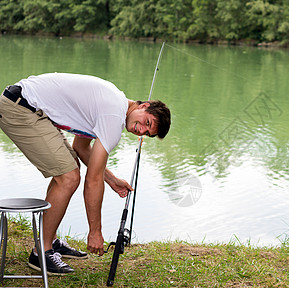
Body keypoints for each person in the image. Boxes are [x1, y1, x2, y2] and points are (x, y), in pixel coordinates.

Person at [0, 72, 171, 275]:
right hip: (19, 107)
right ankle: (41, 253)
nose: (141, 130)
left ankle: (49, 240)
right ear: (144, 106)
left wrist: (113, 180)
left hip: (26, 104)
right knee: (69, 176)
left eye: (146, 133)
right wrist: (95, 231)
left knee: (70, 168)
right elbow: (93, 180)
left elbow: (81, 148)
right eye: (147, 123)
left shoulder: (115, 105)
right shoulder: (114, 116)